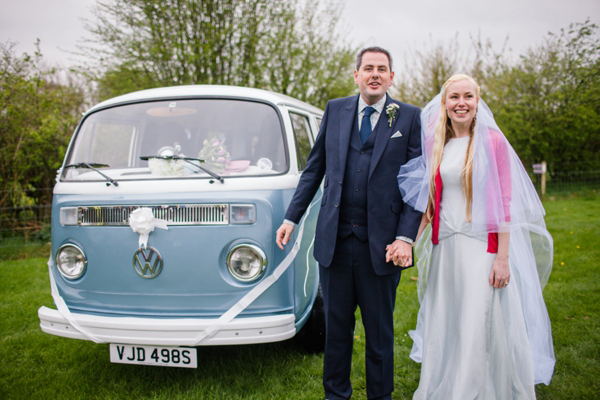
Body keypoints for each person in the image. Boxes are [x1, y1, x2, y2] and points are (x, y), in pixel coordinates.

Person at [276, 47, 422, 400]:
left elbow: (417, 184)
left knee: (380, 334)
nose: (375, 74)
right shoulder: (335, 110)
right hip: (336, 244)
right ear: (356, 75)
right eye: (368, 68)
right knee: (336, 330)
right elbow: (315, 168)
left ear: (391, 77)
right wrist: (291, 217)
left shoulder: (409, 117)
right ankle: (335, 396)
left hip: (383, 246)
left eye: (382, 69)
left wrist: (405, 237)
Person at [398, 74, 555, 399]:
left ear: (477, 101)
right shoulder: (435, 143)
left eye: (468, 96)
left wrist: (502, 258)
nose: (461, 103)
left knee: (479, 319)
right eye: (454, 97)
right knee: (450, 320)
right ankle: (447, 383)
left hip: (482, 249)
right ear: (444, 103)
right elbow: (430, 204)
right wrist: (408, 240)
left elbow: (505, 203)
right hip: (447, 249)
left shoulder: (492, 142)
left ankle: (476, 389)